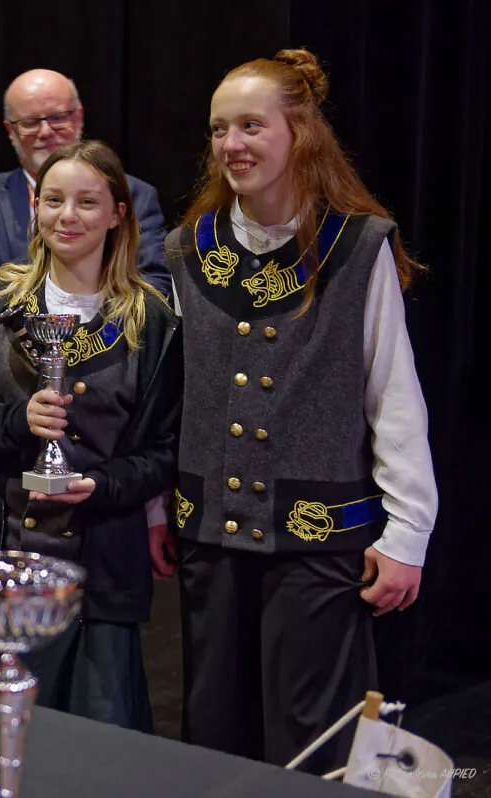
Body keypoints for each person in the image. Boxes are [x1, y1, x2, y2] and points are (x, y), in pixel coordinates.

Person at [166, 48, 438, 772]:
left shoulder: (357, 246)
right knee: (213, 733)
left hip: (319, 538)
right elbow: (172, 395)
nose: (232, 144)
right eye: (221, 129)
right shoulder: (189, 251)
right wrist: (158, 511)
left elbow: (394, 393)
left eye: (251, 125)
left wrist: (408, 529)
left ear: (301, 134)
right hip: (212, 536)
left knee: (315, 738)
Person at [0, 140, 182, 731]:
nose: (66, 216)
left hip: (99, 574)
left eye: (87, 202)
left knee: (91, 761)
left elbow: (163, 453)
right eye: (53, 200)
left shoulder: (151, 319)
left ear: (119, 213)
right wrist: (17, 423)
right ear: (35, 209)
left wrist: (100, 485)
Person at [0, 68, 171, 318]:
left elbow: (158, 287)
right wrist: (53, 290)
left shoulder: (134, 194)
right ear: (10, 131)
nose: (45, 132)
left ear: (79, 117)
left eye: (57, 118)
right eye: (30, 122)